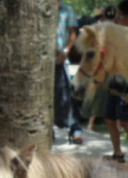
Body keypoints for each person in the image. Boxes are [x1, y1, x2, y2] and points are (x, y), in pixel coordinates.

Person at [103, 0, 128, 166]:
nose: (117, 19)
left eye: (120, 16)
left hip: (127, 88)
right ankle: (118, 153)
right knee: (109, 119)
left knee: (125, 122)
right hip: (113, 85)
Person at [55, 0, 83, 144]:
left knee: (66, 94)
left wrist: (65, 51)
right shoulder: (39, 8)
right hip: (41, 61)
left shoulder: (67, 10)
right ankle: (48, 130)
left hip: (60, 58)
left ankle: (75, 129)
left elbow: (73, 33)